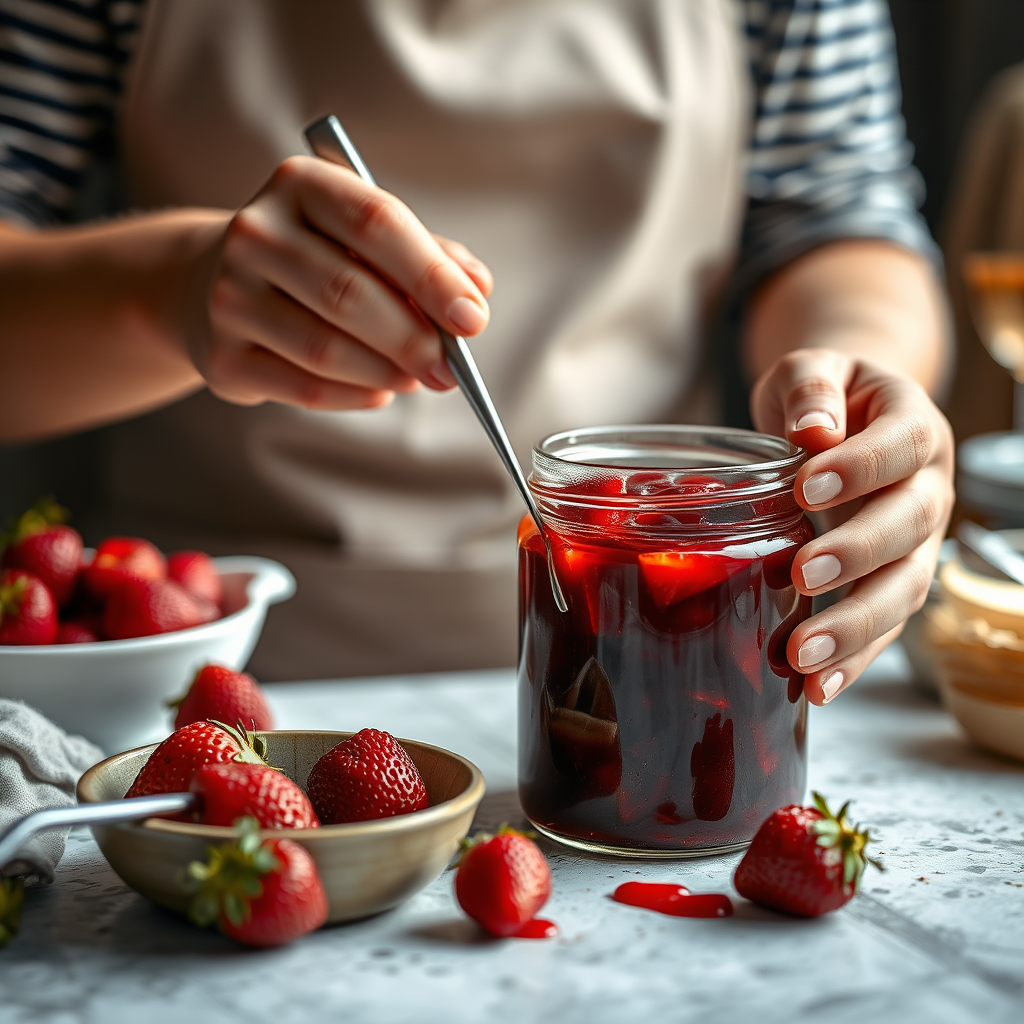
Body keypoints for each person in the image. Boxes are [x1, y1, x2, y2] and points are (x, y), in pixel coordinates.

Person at [0, 0, 953, 702]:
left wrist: (855, 381)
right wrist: (171, 288)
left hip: (673, 647)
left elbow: (835, 217)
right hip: (193, 668)